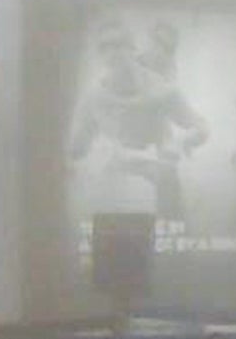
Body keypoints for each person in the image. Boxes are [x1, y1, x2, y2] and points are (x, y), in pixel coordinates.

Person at [67, 17, 210, 221]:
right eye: (104, 47)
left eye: (118, 44)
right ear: (99, 55)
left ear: (132, 48)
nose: (112, 52)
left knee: (170, 241)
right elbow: (76, 149)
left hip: (161, 177)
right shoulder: (92, 97)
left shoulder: (161, 90)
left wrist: (184, 141)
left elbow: (201, 126)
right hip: (117, 182)